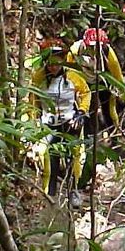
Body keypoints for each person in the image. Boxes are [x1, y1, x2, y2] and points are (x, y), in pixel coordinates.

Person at [30, 37, 91, 197]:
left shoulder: (73, 76)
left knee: (74, 157)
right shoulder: (39, 77)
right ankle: (49, 195)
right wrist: (33, 118)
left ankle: (74, 191)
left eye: (57, 63)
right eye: (50, 63)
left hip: (70, 121)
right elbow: (33, 98)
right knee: (49, 159)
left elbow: (85, 93)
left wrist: (82, 112)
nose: (53, 67)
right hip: (48, 123)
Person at [68, 28, 124, 130]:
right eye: (91, 46)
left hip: (103, 79)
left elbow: (117, 72)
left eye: (97, 47)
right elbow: (69, 71)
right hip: (84, 81)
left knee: (109, 109)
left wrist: (122, 91)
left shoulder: (107, 51)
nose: (94, 50)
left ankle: (115, 133)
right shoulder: (75, 50)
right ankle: (89, 135)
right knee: (87, 109)